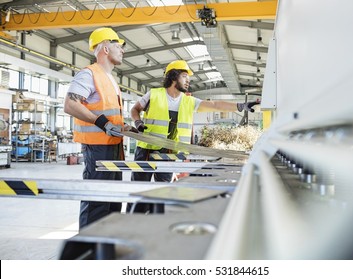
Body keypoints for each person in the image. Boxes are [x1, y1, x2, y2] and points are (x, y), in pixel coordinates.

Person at [129, 60, 260, 213]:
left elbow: (215, 105)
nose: (188, 80)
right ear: (173, 77)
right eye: (184, 76)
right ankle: (135, 217)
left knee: (163, 192)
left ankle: (156, 220)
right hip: (146, 151)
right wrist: (137, 122)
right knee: (139, 190)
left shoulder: (189, 101)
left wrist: (240, 106)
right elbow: (135, 109)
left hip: (168, 154)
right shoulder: (154, 94)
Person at [64, 27, 130, 229]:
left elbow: (108, 113)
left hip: (114, 147)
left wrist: (124, 127)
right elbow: (70, 104)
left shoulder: (111, 79)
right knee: (96, 201)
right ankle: (88, 251)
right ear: (106, 49)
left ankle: (105, 247)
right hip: (98, 149)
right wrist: (102, 123)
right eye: (118, 45)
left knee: (113, 201)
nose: (123, 50)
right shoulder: (89, 74)